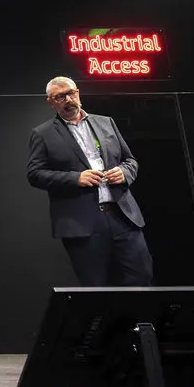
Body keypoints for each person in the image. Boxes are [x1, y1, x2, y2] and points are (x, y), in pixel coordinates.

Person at [26, 76, 154, 286]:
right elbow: (35, 174)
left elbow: (130, 160)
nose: (68, 100)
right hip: (83, 223)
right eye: (60, 97)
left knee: (141, 278)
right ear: (51, 102)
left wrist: (124, 173)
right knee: (96, 288)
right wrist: (76, 178)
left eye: (71, 93)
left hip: (122, 216)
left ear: (78, 93)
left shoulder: (106, 122)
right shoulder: (43, 134)